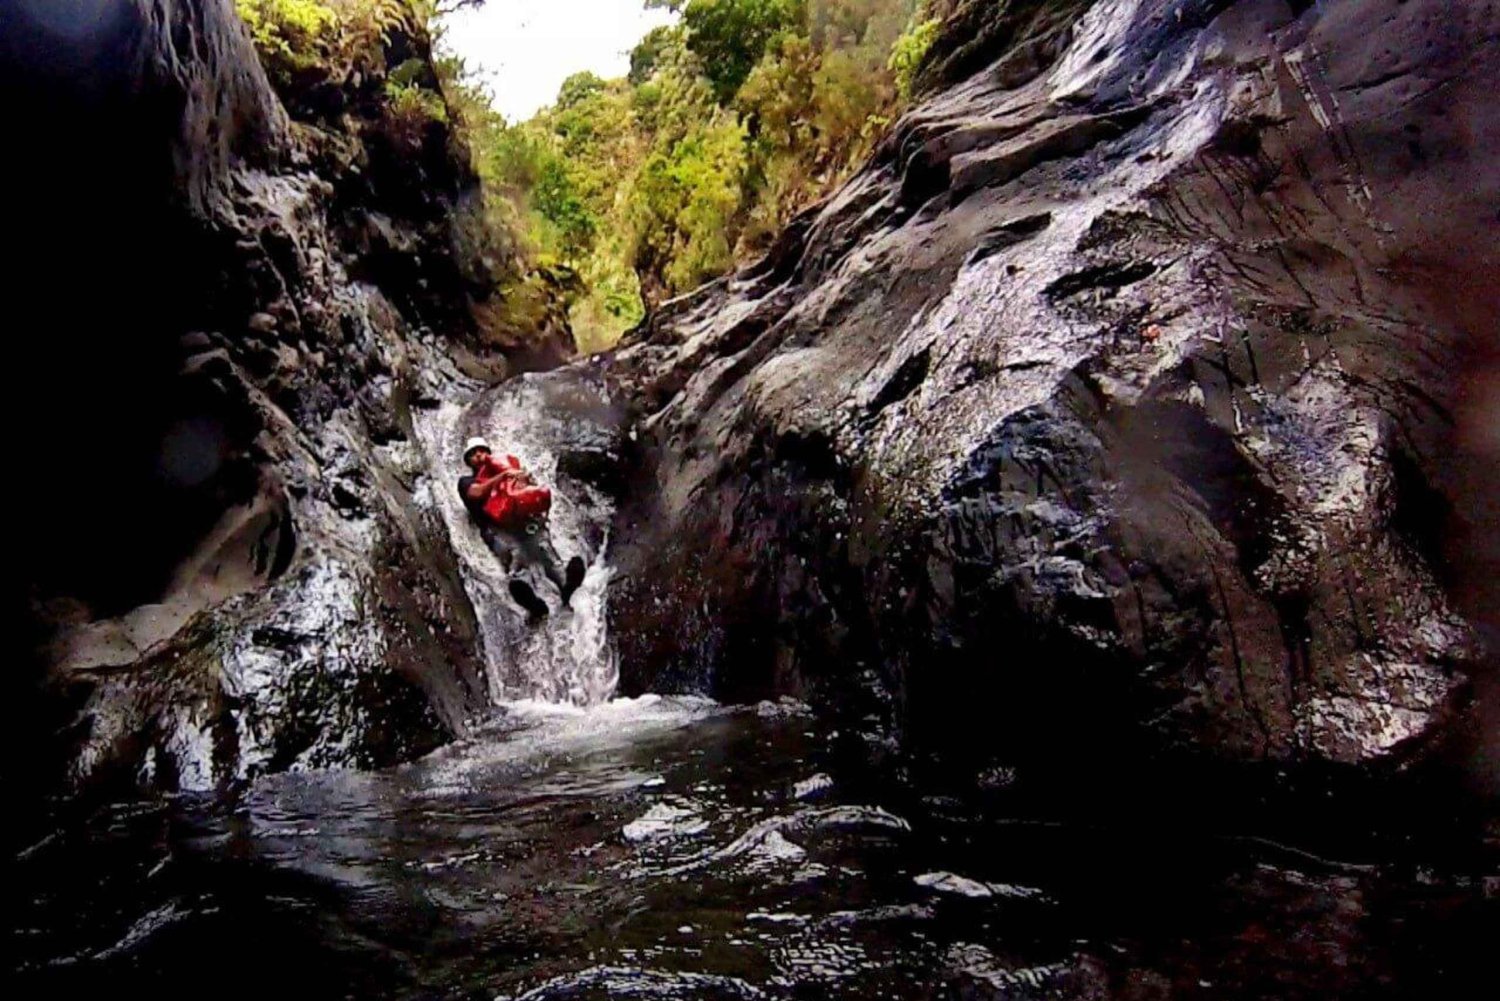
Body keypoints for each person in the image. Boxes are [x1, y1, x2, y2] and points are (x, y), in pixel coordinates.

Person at [457, 436, 585, 619]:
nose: (479, 455)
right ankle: (532, 602)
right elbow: (475, 493)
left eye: (482, 451)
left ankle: (566, 585)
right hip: (497, 530)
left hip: (524, 523)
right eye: (473, 453)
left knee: (545, 551)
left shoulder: (509, 471)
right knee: (515, 557)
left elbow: (530, 494)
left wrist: (525, 480)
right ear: (468, 460)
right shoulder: (466, 481)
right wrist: (501, 477)